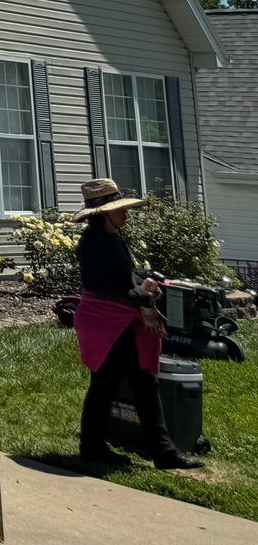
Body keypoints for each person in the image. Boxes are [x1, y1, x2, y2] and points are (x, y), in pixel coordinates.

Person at [71, 178, 200, 471]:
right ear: (104, 213)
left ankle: (96, 448)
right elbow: (102, 287)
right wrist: (145, 298)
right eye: (121, 209)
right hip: (105, 324)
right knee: (123, 384)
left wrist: (148, 280)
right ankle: (155, 453)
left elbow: (121, 277)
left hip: (118, 320)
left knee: (125, 384)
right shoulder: (94, 244)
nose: (126, 213)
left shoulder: (112, 239)